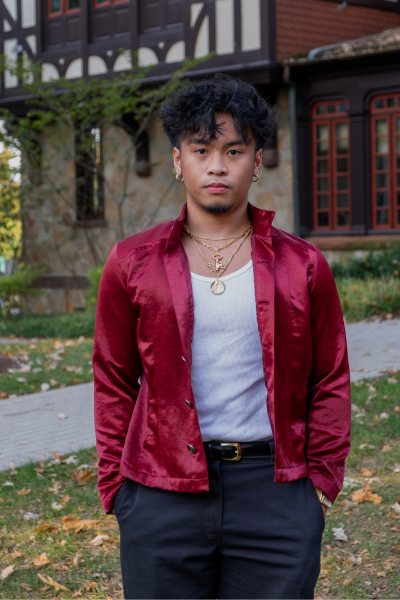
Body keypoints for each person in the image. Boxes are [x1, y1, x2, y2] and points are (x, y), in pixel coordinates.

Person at [93, 73, 351, 600]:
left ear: (256, 161)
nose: (216, 165)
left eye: (234, 150)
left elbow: (329, 378)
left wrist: (319, 485)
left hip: (275, 491)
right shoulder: (131, 262)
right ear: (177, 160)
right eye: (201, 149)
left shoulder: (302, 266)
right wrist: (119, 490)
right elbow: (113, 378)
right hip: (161, 492)